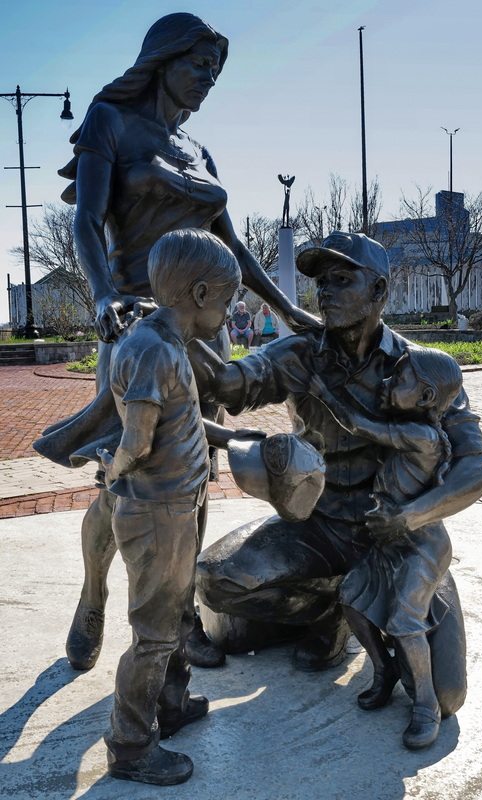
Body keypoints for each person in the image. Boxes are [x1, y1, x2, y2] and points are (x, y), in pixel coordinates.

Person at [33, 13, 318, 674]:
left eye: (215, 74)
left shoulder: (201, 150)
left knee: (191, 482)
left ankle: (179, 614)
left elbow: (235, 250)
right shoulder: (111, 120)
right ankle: (94, 594)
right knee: (121, 480)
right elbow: (85, 219)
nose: (206, 81)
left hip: (198, 336)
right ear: (163, 59)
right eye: (198, 66)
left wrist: (290, 314)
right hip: (133, 329)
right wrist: (103, 293)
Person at [189, 231, 482, 725]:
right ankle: (331, 612)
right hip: (320, 526)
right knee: (217, 582)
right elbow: (229, 383)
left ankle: (373, 603)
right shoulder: (299, 354)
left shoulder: (423, 369)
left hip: (401, 541)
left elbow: (476, 467)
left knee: (447, 694)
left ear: (378, 291)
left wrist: (411, 517)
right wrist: (172, 330)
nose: (325, 291)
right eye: (321, 282)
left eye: (341, 279)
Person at [98, 228, 263, 785]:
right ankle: (129, 744)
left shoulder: (171, 346)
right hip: (157, 511)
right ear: (199, 295)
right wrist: (112, 469)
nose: (232, 309)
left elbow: (185, 421)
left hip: (181, 503)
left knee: (177, 612)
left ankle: (171, 704)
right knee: (155, 630)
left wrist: (237, 438)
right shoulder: (149, 350)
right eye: (228, 296)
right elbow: (138, 441)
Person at [307, 346, 463, 749]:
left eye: (401, 378)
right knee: (351, 598)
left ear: (426, 397)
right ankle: (384, 670)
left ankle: (426, 705)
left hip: (421, 544)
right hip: (390, 542)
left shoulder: (422, 436)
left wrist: (322, 390)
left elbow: (360, 425)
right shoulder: (407, 424)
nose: (389, 383)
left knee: (405, 622)